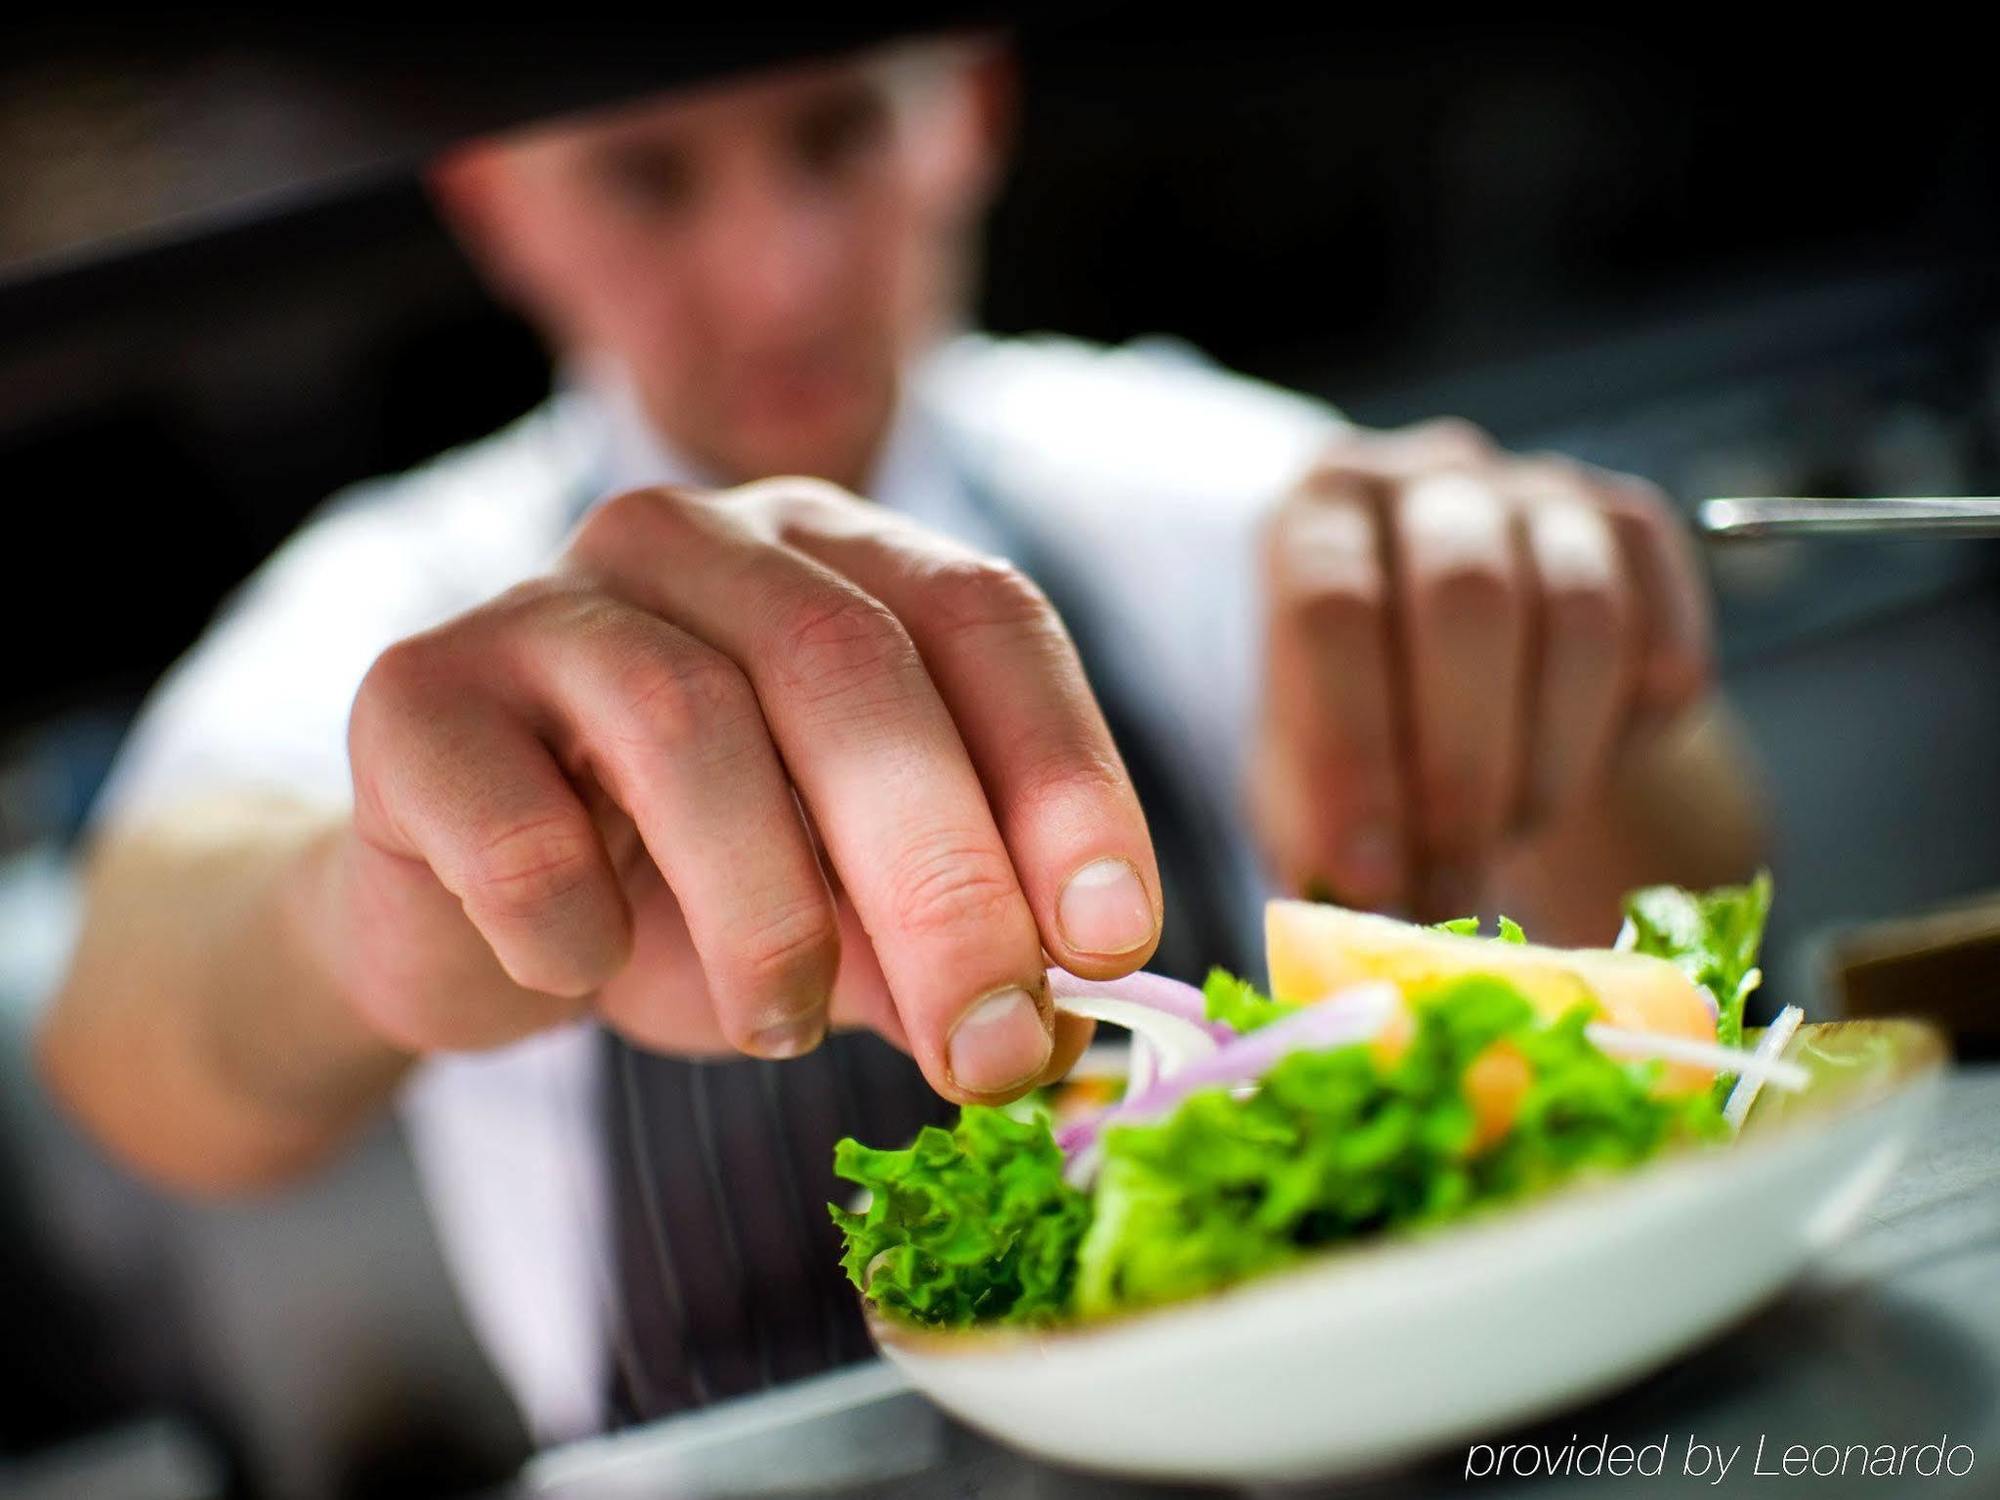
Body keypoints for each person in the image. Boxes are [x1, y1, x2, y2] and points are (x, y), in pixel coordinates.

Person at [37, 38, 1762, 1443]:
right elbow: (125, 1051)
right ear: (501, 204)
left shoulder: (1169, 472)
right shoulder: (392, 602)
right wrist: (363, 920)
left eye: (840, 132)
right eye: (648, 175)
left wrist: (1569, 700)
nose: (780, 269)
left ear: (971, 111)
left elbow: (1695, 902)